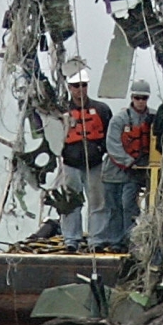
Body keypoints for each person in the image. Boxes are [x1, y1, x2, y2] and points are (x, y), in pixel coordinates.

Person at [60, 69, 113, 253]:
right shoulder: (62, 111)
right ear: (69, 88)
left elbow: (110, 135)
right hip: (70, 164)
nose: (80, 90)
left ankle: (96, 239)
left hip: (95, 164)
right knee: (71, 202)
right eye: (76, 86)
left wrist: (101, 151)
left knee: (98, 202)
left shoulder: (101, 109)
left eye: (83, 85)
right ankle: (71, 239)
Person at [101, 78, 153, 252]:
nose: (140, 101)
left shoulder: (153, 118)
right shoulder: (119, 120)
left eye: (144, 98)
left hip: (135, 173)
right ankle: (115, 241)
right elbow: (113, 145)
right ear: (132, 97)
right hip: (114, 172)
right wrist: (128, 162)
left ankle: (131, 241)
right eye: (137, 97)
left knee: (129, 206)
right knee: (113, 207)